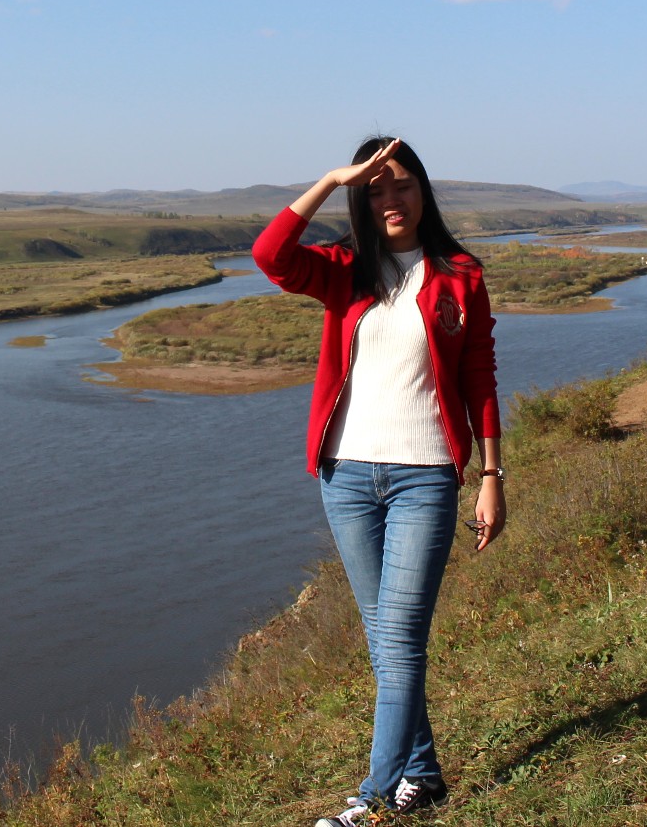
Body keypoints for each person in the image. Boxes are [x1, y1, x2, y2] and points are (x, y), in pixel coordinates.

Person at [252, 137, 504, 826]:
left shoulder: (460, 274)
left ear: (424, 190)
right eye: (375, 189)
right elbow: (269, 255)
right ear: (361, 200)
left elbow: (479, 375)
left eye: (402, 185)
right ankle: (421, 776)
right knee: (384, 637)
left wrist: (491, 473)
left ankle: (370, 801)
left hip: (425, 476)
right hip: (347, 476)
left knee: (399, 641)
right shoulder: (345, 271)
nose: (391, 200)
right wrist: (331, 178)